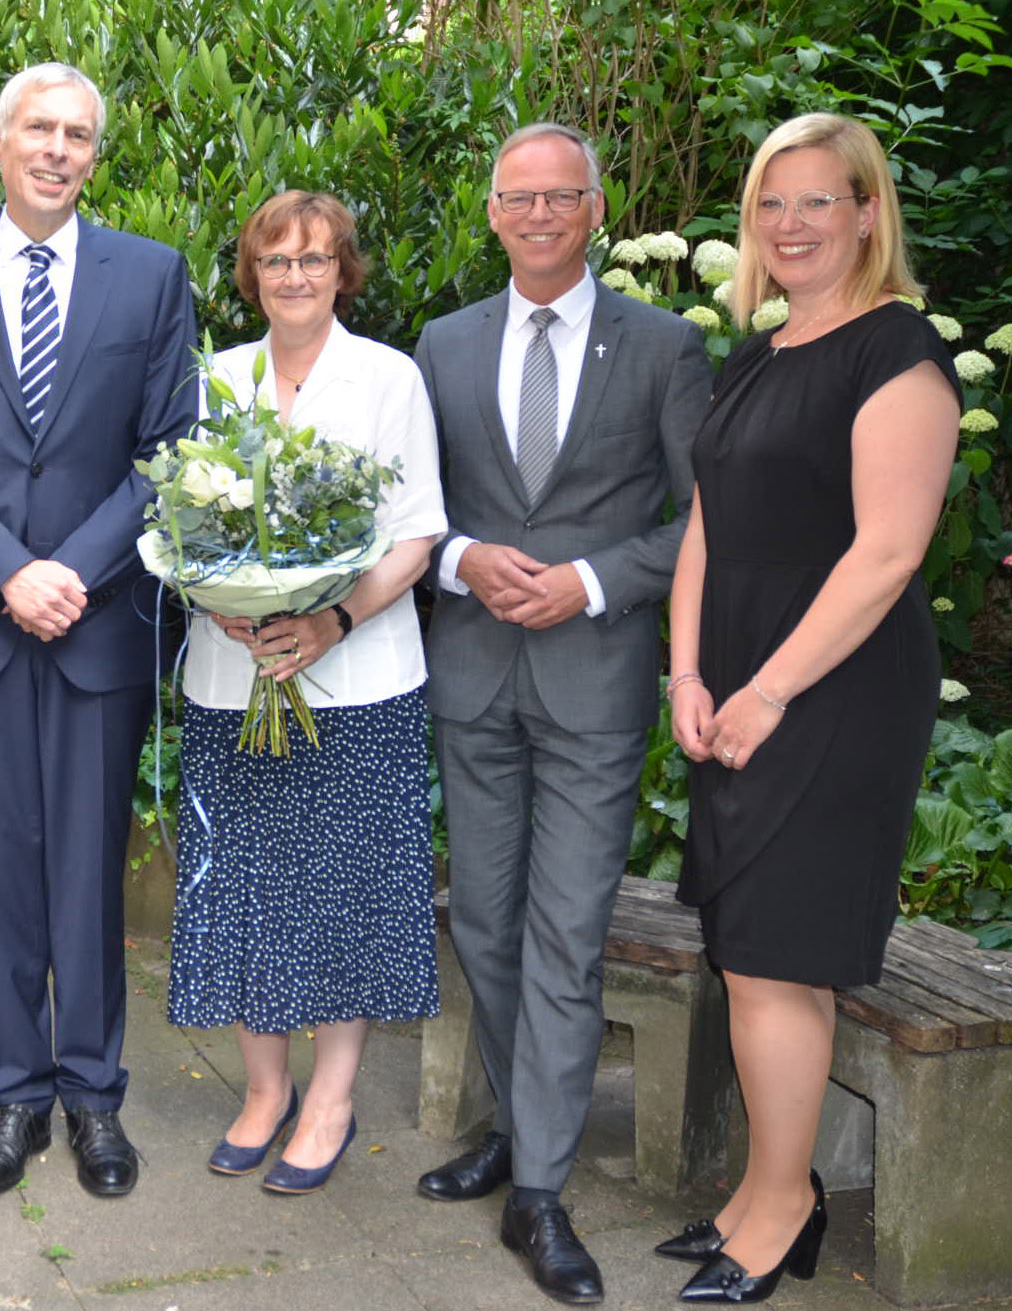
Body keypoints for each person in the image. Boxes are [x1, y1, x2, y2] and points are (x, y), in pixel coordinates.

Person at [0, 62, 196, 1199]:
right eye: (38, 129)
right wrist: (12, 570)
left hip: (98, 625)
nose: (57, 149)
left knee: (87, 878)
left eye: (78, 134)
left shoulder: (150, 277)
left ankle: (93, 1101)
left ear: (92, 156)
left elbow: (167, 452)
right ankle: (13, 1099)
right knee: (2, 871)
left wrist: (72, 569)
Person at [413, 121, 712, 1302]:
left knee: (564, 930)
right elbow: (410, 509)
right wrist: (461, 561)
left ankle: (537, 1186)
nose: (536, 214)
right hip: (474, 672)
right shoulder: (441, 344)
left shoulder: (664, 346)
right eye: (514, 197)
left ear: (595, 208)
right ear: (490, 211)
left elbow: (700, 520)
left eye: (559, 196)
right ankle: (513, 1127)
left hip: (592, 678)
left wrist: (589, 582)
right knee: (483, 918)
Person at [662, 113, 957, 1304]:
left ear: (866, 213)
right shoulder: (761, 352)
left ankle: (784, 1209)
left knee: (780, 956)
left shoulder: (897, 353)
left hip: (829, 690)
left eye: (817, 202)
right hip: (732, 682)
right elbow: (703, 526)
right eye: (770, 205)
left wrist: (769, 690)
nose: (789, 225)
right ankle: (754, 1191)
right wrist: (684, 675)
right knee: (743, 950)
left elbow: (885, 552)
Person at [167, 192, 446, 1194]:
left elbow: (415, 532)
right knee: (242, 887)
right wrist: (224, 604)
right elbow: (179, 519)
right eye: (276, 261)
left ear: (343, 271)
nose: (295, 277)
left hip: (360, 679)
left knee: (347, 896)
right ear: (250, 272)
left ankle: (329, 1098)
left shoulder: (389, 379)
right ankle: (260, 1090)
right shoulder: (214, 380)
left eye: (316, 260)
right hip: (227, 672)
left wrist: (329, 619)